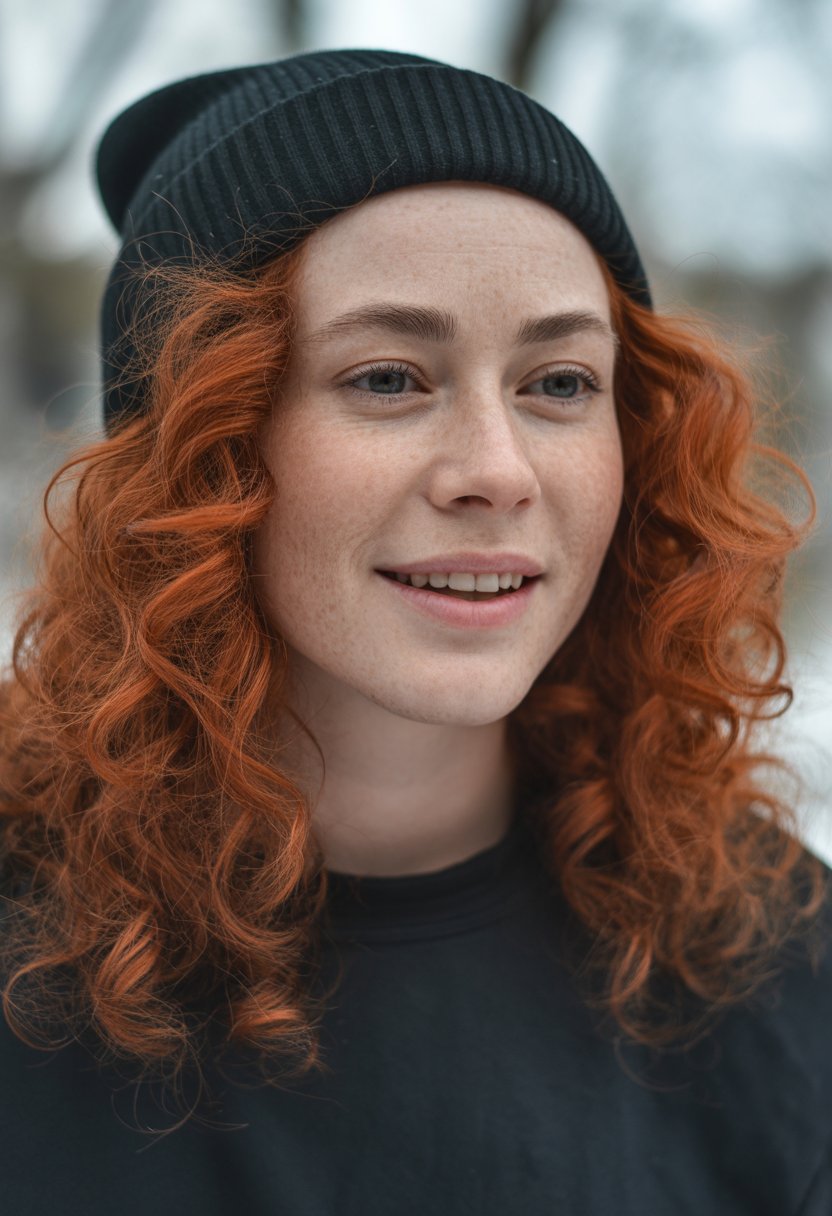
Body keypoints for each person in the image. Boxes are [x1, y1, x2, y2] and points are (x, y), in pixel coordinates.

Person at [0, 47, 830, 1215]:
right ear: (197, 454)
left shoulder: (778, 969)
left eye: (558, 383)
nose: (496, 471)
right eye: (388, 377)